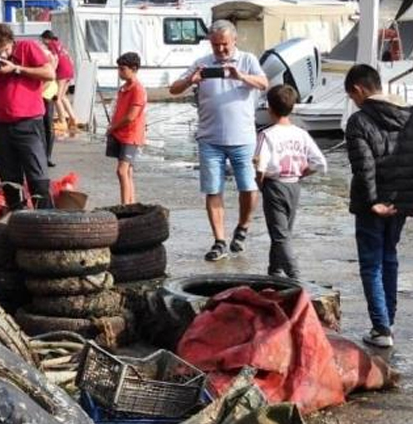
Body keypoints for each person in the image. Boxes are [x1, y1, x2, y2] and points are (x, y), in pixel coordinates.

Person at [344, 64, 413, 348]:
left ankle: (381, 328)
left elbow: (364, 167)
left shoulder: (359, 121)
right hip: (403, 200)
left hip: (374, 204)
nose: (353, 102)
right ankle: (388, 320)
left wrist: (372, 202)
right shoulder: (411, 116)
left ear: (358, 90)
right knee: (390, 257)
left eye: (351, 96)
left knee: (371, 264)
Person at [168, 19, 269, 262]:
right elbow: (173, 88)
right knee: (213, 189)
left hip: (242, 137)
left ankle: (243, 228)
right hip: (209, 138)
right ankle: (219, 240)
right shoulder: (201, 63)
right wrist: (191, 80)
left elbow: (265, 83)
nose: (220, 50)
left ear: (234, 40)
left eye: (224, 44)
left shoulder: (247, 60)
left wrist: (240, 76)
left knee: (248, 187)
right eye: (215, 46)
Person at [0, 23, 56, 210]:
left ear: (11, 42)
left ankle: (47, 220)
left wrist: (17, 68)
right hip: (3, 126)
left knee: (38, 179)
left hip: (29, 123)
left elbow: (49, 73)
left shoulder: (27, 47)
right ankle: (18, 219)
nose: (2, 55)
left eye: (5, 50)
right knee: (9, 180)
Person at [254, 85, 327, 280]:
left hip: (275, 185)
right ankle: (274, 272)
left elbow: (259, 166)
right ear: (293, 107)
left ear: (269, 108)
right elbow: (320, 163)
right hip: (294, 185)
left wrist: (260, 183)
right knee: (284, 232)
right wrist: (304, 173)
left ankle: (295, 276)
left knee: (279, 235)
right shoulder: (301, 134)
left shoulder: (266, 135)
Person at [106, 52, 147, 204]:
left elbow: (131, 116)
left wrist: (112, 127)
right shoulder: (124, 88)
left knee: (122, 171)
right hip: (120, 133)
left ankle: (125, 206)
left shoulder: (138, 89)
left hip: (131, 135)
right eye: (119, 69)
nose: (120, 72)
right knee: (127, 171)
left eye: (123, 69)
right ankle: (130, 203)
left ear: (134, 68)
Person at [40, 30, 78, 134]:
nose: (43, 42)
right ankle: (73, 118)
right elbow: (70, 59)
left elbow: (55, 58)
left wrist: (52, 71)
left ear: (47, 38)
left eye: (43, 39)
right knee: (63, 96)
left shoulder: (51, 44)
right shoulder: (59, 44)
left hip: (62, 71)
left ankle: (62, 121)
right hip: (69, 70)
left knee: (56, 97)